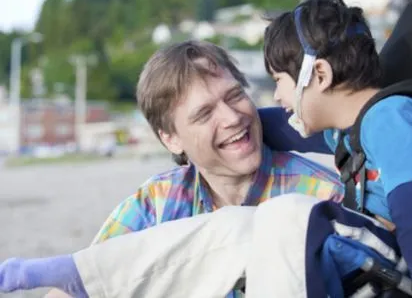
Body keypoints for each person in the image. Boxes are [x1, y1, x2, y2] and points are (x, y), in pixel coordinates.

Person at [0, 40, 344, 298]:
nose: (232, 117)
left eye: (235, 95)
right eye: (204, 113)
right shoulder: (156, 202)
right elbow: (90, 281)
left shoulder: (320, 196)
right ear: (171, 139)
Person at [260, 0, 412, 297]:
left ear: (319, 75)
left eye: (279, 80)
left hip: (410, 264)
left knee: (284, 217)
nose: (277, 95)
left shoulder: (392, 120)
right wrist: (232, 122)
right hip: (383, 255)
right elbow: (280, 128)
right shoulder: (349, 131)